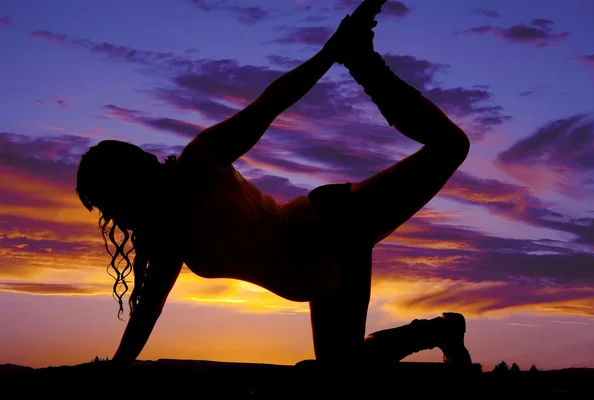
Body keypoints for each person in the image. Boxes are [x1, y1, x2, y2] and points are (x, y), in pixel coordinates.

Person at [75, 0, 471, 369]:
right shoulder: (166, 239)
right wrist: (116, 369)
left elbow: (271, 103)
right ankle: (438, 331)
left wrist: (330, 52)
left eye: (111, 201)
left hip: (331, 223)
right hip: (316, 277)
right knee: (341, 367)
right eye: (107, 210)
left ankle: (362, 61)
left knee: (450, 147)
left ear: (129, 181)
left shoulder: (198, 163)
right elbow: (147, 313)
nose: (115, 216)